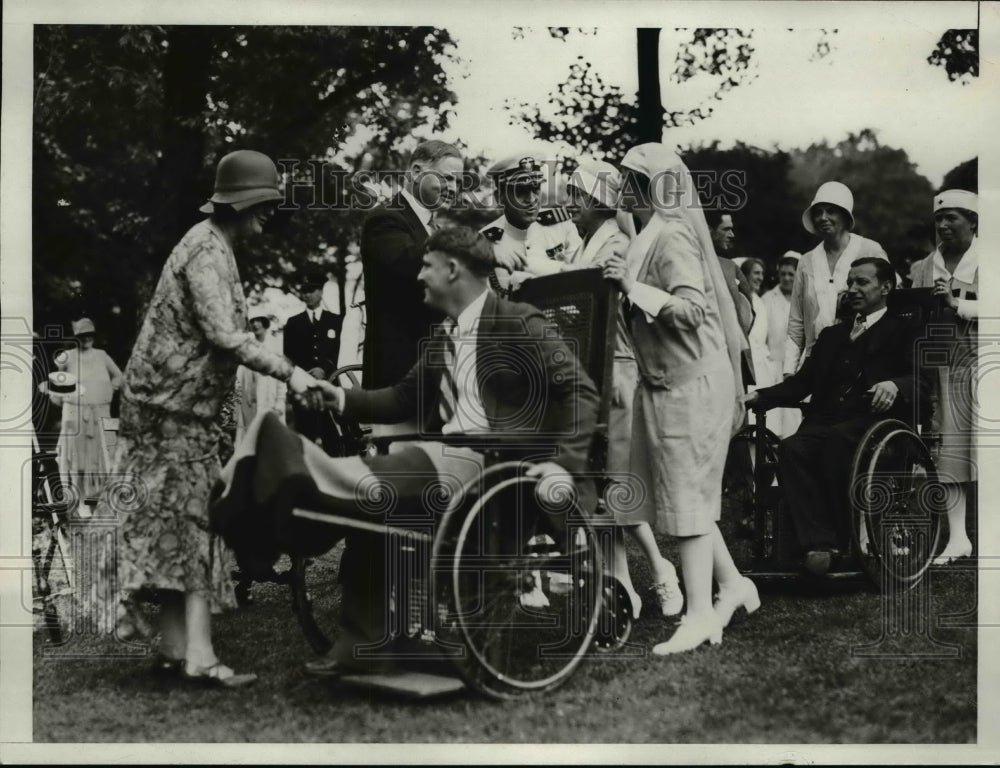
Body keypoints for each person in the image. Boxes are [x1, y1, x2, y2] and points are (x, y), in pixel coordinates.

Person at [219, 226, 597, 677]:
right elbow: (401, 399)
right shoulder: (444, 336)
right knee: (373, 508)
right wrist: (338, 397)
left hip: (498, 469)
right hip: (449, 462)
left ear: (452, 269)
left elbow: (580, 391)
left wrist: (562, 465)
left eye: (426, 265)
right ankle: (368, 640)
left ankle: (297, 477)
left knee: (379, 478)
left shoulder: (519, 321)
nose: (417, 275)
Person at [95, 150, 320, 688]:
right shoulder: (205, 252)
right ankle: (179, 644)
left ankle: (176, 648)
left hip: (174, 412)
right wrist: (294, 374)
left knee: (179, 529)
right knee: (191, 528)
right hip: (167, 414)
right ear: (245, 203)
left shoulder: (212, 245)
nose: (271, 215)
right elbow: (225, 335)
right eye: (266, 204)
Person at [602, 144, 758, 654]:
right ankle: (733, 584)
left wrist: (633, 289)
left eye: (630, 177)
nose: (623, 186)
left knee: (688, 499)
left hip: (691, 384)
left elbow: (691, 312)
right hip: (667, 384)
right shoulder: (646, 236)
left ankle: (698, 617)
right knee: (680, 494)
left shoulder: (672, 236)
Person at [745, 258, 924, 576]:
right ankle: (820, 544)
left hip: (876, 426)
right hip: (827, 422)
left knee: (834, 442)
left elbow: (923, 379)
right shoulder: (832, 336)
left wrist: (896, 385)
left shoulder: (904, 329)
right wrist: (761, 396)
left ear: (885, 288)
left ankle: (847, 544)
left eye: (862, 282)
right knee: (792, 447)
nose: (853, 289)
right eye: (850, 282)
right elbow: (802, 384)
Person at [565, 160, 682, 618]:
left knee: (617, 484)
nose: (569, 204)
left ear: (597, 201)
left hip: (616, 370)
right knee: (600, 485)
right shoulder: (587, 244)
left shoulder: (615, 244)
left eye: (576, 195)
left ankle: (660, 569)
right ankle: (623, 588)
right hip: (591, 371)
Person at [909, 189, 978, 565]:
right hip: (942, 369)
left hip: (985, 365)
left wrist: (959, 303)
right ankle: (958, 537)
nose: (943, 224)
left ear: (973, 221)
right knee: (949, 450)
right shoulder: (922, 268)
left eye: (952, 217)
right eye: (939, 218)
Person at [360, 140, 463, 390]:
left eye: (458, 182)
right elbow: (412, 265)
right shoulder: (385, 218)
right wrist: (472, 250)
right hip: (398, 379)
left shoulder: (433, 229)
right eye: (447, 178)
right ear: (417, 171)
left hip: (436, 377)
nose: (453, 188)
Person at [784, 181, 888, 377]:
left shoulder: (871, 250)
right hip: (816, 364)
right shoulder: (806, 261)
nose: (823, 217)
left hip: (862, 362)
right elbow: (796, 321)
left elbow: (889, 306)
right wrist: (789, 371)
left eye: (831, 211)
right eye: (818, 212)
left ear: (845, 215)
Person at [480, 152, 582, 293]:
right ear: (500, 197)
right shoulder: (485, 242)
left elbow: (582, 275)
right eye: (521, 192)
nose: (531, 199)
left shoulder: (561, 224)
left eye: (536, 188)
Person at [50, 318, 123, 502]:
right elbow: (54, 381)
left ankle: (101, 497)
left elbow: (119, 376)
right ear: (77, 337)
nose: (87, 339)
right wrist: (61, 398)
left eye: (90, 335)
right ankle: (77, 499)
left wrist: (109, 389)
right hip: (75, 413)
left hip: (100, 412)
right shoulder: (67, 357)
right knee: (76, 457)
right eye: (83, 336)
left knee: (103, 453)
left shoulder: (102, 355)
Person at [282, 270, 342, 445]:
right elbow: (289, 356)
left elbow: (340, 350)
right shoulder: (293, 323)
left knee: (334, 436)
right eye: (304, 291)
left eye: (311, 290)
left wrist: (325, 368)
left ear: (321, 291)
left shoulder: (336, 321)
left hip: (331, 384)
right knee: (305, 437)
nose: (307, 295)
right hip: (304, 388)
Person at [760, 252, 803, 437]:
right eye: (783, 274)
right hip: (772, 363)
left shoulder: (803, 299)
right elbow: (760, 334)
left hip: (796, 364)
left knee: (793, 414)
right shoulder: (768, 299)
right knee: (773, 415)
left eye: (790, 274)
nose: (786, 278)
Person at [235, 310, 286, 445]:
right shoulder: (248, 346)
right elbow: (240, 377)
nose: (255, 324)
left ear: (265, 323)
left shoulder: (276, 345)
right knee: (250, 442)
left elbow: (282, 377)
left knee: (273, 442)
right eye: (252, 321)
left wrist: (280, 401)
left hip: (271, 400)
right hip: (250, 403)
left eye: (258, 320)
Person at [740, 257, 779, 394]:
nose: (760, 278)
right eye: (756, 273)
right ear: (744, 275)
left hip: (762, 367)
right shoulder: (739, 300)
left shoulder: (760, 302)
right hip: (745, 365)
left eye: (762, 274)